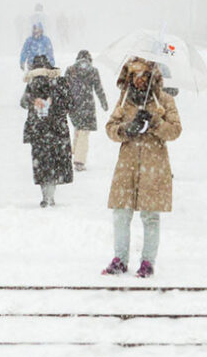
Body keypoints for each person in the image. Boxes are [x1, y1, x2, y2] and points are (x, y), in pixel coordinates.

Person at [102, 57, 181, 278]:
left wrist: (155, 123)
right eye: (134, 76)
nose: (139, 80)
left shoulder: (164, 100)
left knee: (150, 216)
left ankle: (148, 261)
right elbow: (110, 128)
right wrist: (127, 129)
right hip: (127, 165)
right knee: (121, 213)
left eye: (143, 75)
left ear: (151, 77)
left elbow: (175, 130)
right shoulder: (124, 99)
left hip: (153, 165)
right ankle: (119, 259)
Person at [21, 55, 73, 206]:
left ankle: (46, 195)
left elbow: (23, 102)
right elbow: (70, 104)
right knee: (53, 163)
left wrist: (35, 101)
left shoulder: (33, 83)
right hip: (57, 130)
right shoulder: (60, 83)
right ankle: (49, 195)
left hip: (39, 130)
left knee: (43, 163)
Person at [63, 49, 108, 170]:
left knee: (78, 128)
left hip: (74, 105)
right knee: (83, 132)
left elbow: (63, 88)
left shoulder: (70, 70)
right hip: (87, 106)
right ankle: (79, 161)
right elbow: (99, 88)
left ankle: (73, 153)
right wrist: (103, 102)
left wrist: (63, 103)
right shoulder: (93, 71)